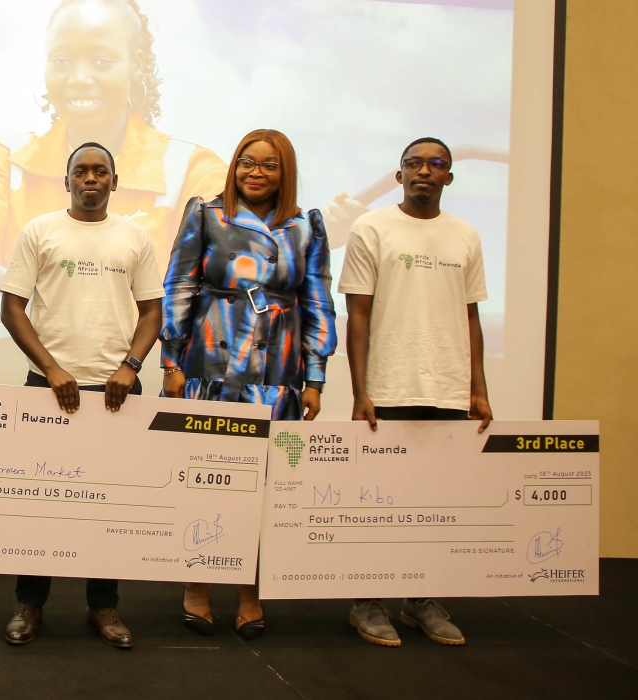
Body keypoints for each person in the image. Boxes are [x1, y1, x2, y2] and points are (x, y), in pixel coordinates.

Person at [161, 129, 337, 640]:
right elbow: (179, 285)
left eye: (268, 165)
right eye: (246, 162)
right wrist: (172, 364)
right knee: (205, 479)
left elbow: (319, 301)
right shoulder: (206, 213)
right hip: (209, 363)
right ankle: (196, 584)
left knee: (261, 489)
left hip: (276, 374)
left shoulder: (305, 226)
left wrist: (316, 376)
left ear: (286, 172)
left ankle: (248, 590)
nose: (255, 173)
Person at [0, 142, 163, 649]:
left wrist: (130, 367)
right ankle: (31, 604)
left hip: (116, 390)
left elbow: (152, 312)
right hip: (47, 389)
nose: (90, 179)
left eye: (100, 172)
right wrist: (50, 369)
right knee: (42, 502)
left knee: (108, 504)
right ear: (66, 180)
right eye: (80, 171)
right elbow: (11, 308)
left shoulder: (135, 237)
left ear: (114, 181)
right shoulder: (40, 230)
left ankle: (103, 607)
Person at [339, 136, 492, 647]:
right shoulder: (372, 227)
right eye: (414, 164)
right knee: (380, 500)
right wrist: (361, 390)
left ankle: (420, 600)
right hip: (388, 387)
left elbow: (471, 316)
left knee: (434, 501)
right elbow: (356, 311)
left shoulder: (466, 235)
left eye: (437, 164)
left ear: (449, 177)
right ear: (399, 174)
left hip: (448, 388)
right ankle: (368, 601)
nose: (425, 171)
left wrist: (479, 390)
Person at [0, 0, 228, 272]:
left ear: (136, 64)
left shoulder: (195, 173)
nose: (79, 78)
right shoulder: (4, 164)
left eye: (101, 61)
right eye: (61, 61)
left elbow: (236, 273)